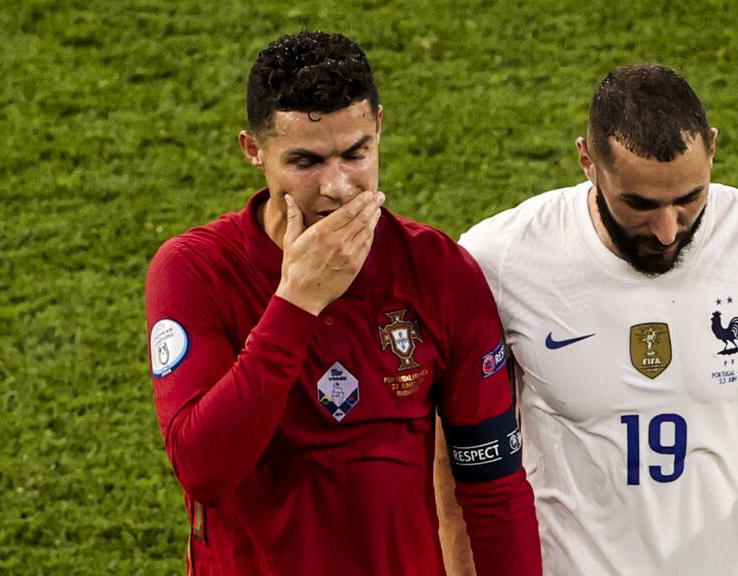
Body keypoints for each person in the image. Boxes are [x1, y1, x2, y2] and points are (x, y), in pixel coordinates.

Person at [145, 31, 541, 576]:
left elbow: (493, 486)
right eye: (306, 161)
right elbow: (204, 470)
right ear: (253, 150)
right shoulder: (196, 271)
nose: (338, 187)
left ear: (379, 125)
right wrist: (296, 302)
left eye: (356, 153)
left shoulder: (440, 273)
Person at [456, 63, 738, 575]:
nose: (665, 231)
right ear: (587, 161)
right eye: (639, 204)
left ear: (714, 148)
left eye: (689, 199)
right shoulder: (501, 258)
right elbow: (456, 438)